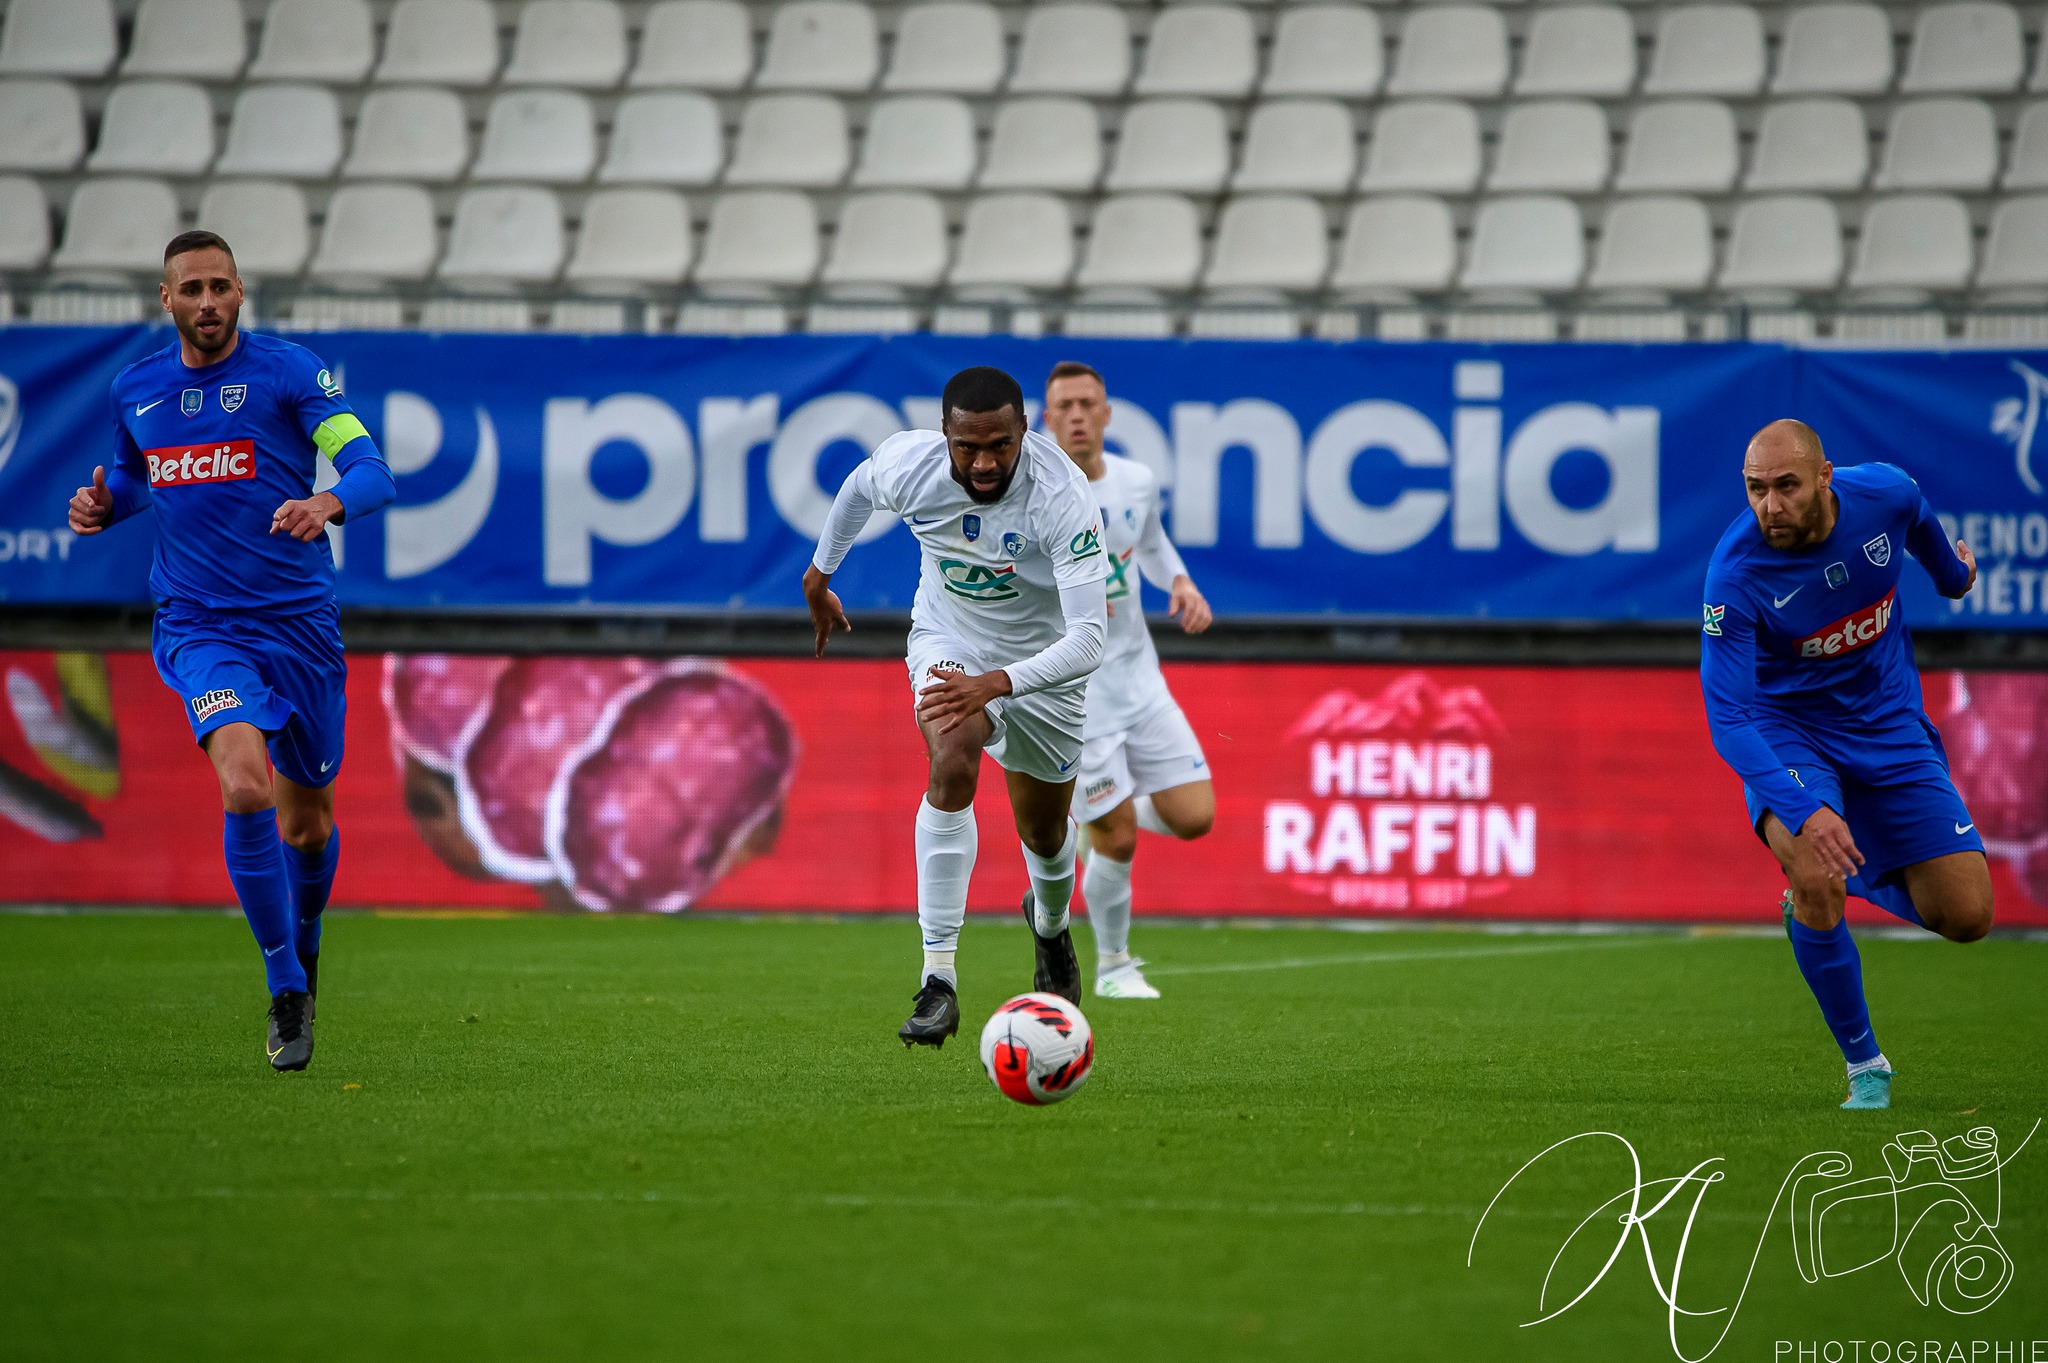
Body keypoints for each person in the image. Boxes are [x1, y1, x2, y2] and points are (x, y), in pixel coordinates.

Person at [68, 232, 395, 1072]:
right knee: (246, 785)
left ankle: (307, 947)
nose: (207, 301)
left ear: (241, 291)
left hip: (299, 628)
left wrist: (326, 501)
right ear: (166, 299)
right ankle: (285, 987)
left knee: (306, 822)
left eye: (220, 286)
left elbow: (372, 469)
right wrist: (107, 506)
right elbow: (135, 477)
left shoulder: (292, 372)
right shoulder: (136, 389)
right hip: (200, 624)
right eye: (192, 289)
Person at [804, 366, 1107, 1045]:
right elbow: (858, 489)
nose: (984, 463)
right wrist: (820, 574)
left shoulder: (1062, 495)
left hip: (1044, 668)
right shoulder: (911, 465)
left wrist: (998, 682)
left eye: (1000, 445)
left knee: (1045, 835)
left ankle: (1051, 925)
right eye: (967, 447)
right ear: (945, 434)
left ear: (1024, 429)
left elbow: (1090, 639)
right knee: (953, 749)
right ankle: (937, 980)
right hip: (952, 639)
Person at [1700, 418, 1990, 1110]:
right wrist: (1805, 811)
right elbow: (1729, 719)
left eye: (1787, 486)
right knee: (1814, 867)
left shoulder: (1885, 494)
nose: (1771, 505)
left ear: (1825, 477)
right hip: (1788, 730)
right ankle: (1867, 1066)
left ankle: (1824, 892)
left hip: (1888, 722)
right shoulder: (1735, 575)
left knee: (1967, 915)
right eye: (1756, 489)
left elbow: (1924, 526)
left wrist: (1954, 577)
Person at [1043, 361, 1214, 999]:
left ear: (1107, 414)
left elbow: (1150, 542)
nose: (1078, 416)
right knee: (1117, 838)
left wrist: (1180, 580)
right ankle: (1114, 967)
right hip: (1078, 698)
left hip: (1142, 682)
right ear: (1046, 418)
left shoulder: (1136, 481)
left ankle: (1102, 819)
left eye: (1088, 404)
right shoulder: (1033, 498)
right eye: (1065, 406)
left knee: (1195, 818)